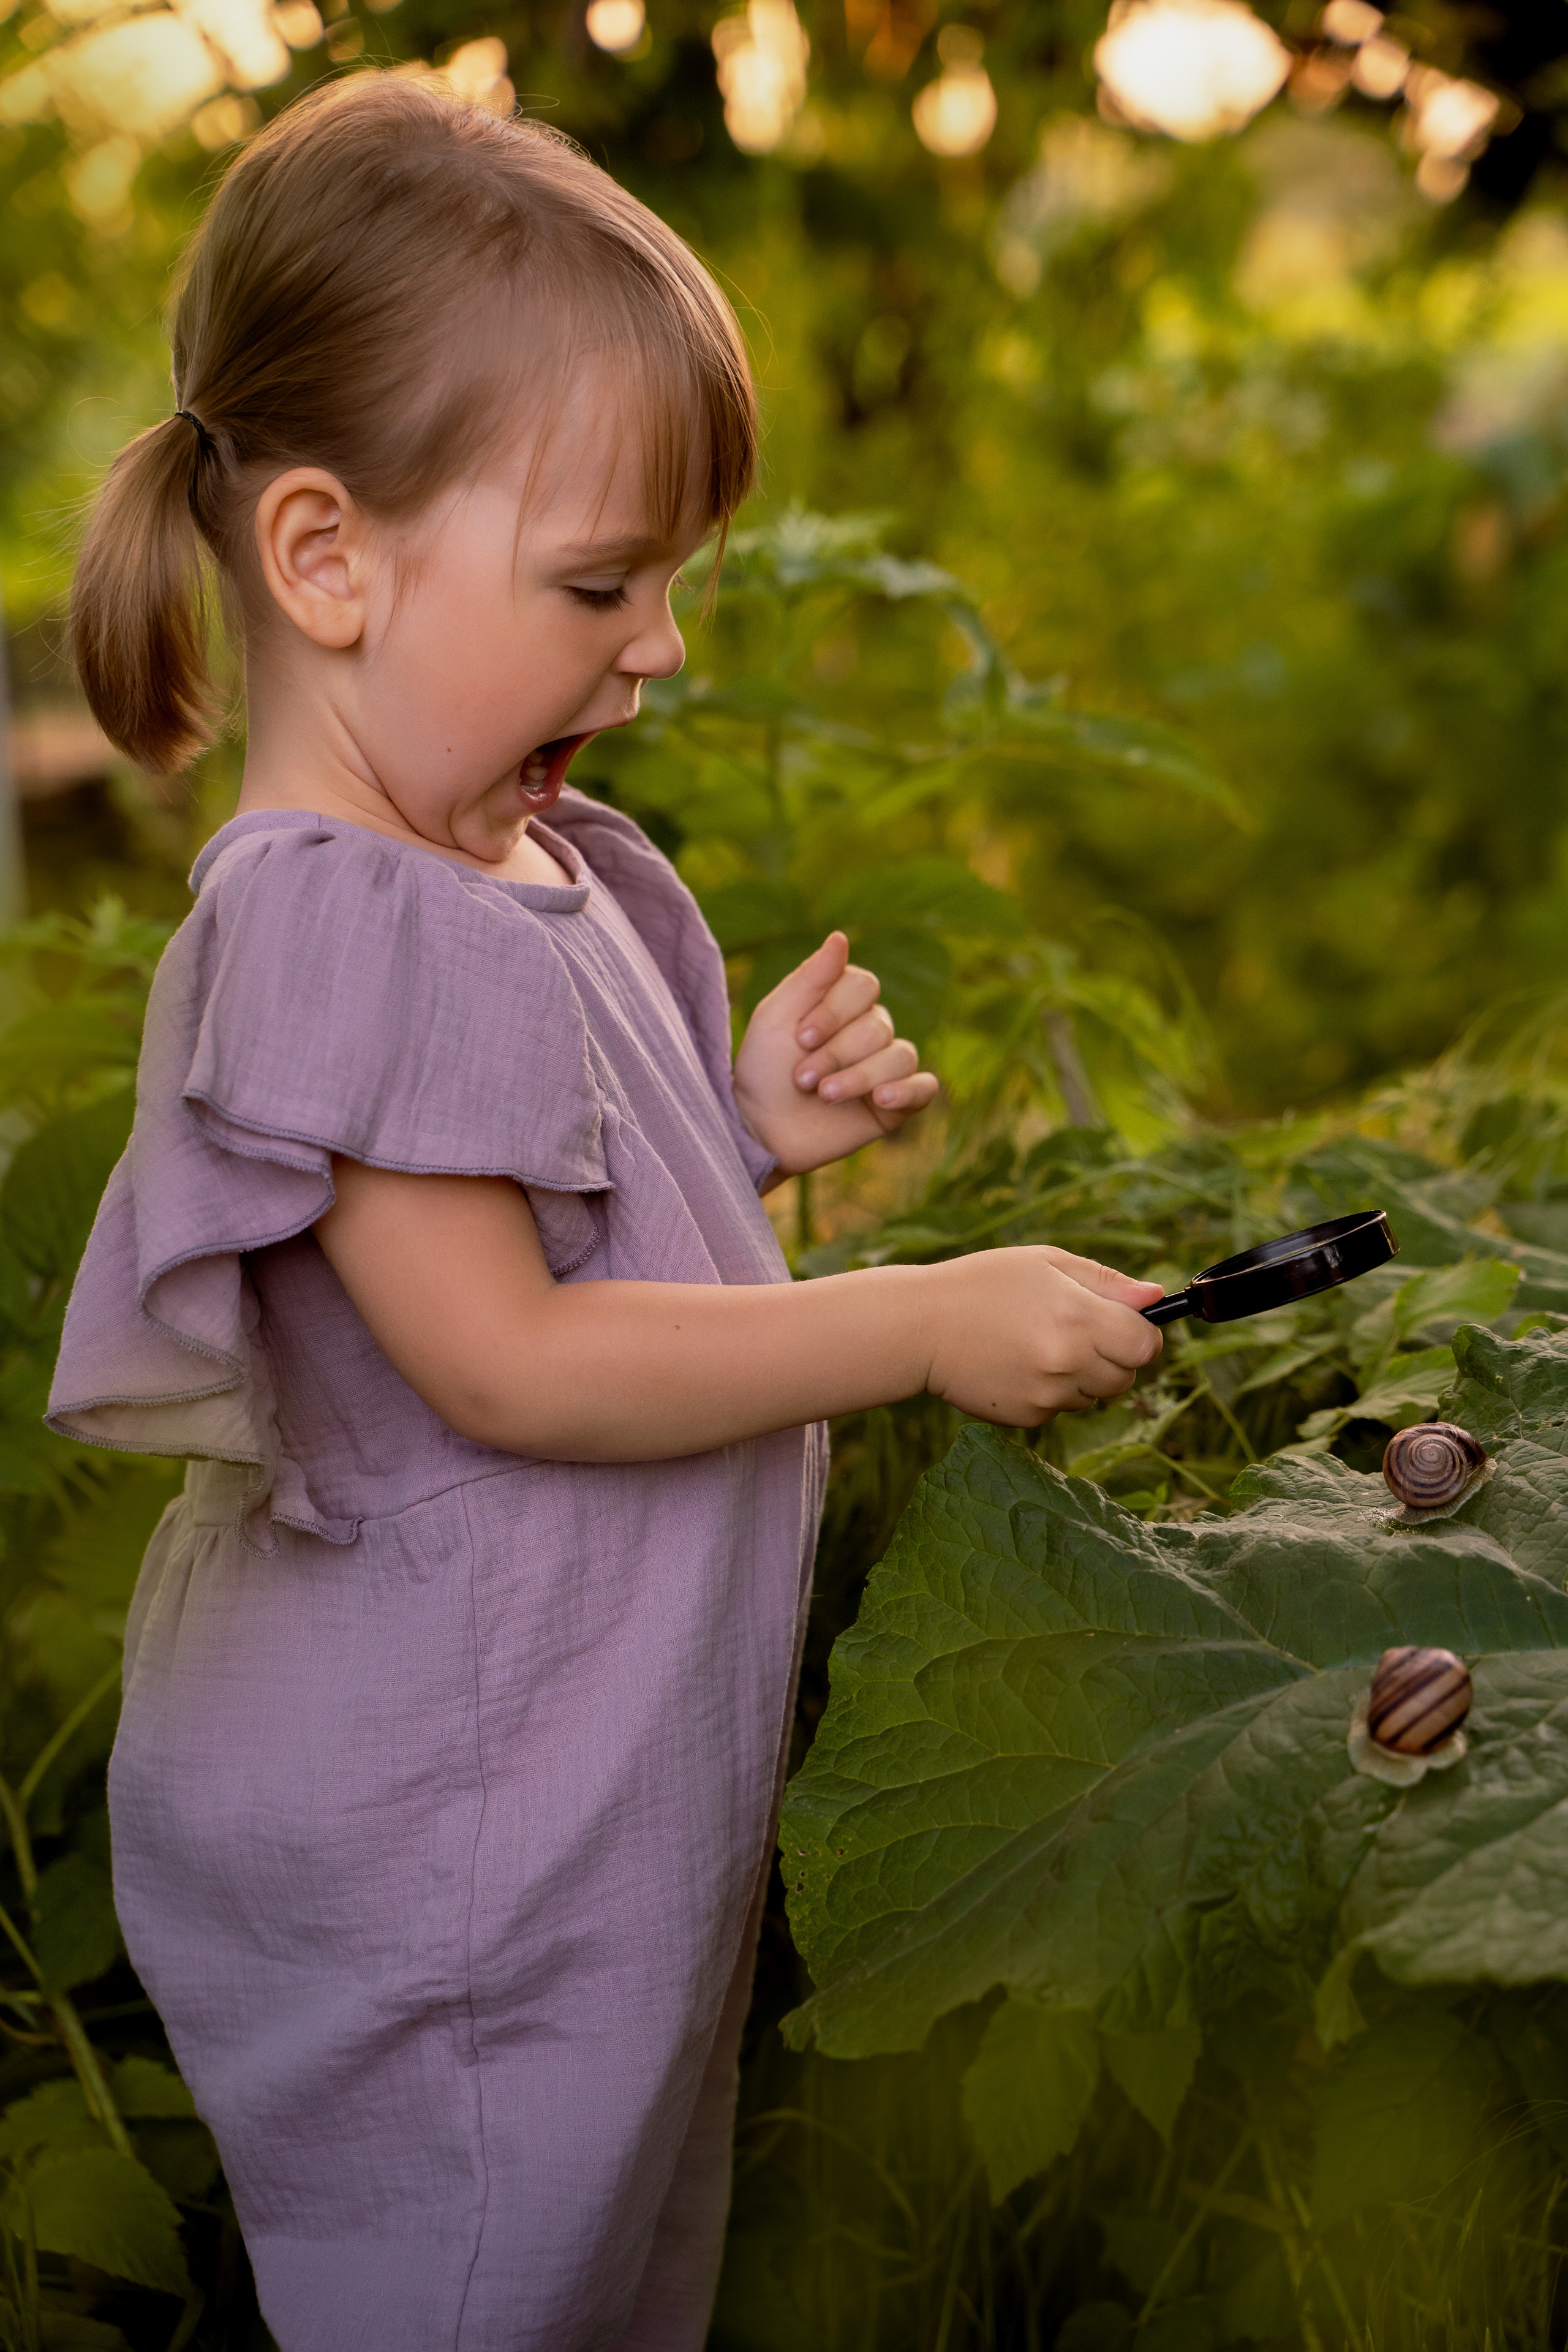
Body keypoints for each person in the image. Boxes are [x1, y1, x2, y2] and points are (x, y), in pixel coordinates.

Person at [47, 72, 1164, 2352]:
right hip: (454, 1835)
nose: (658, 648)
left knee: (602, 2281)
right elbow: (506, 1359)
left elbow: (516, 1238)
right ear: (330, 560)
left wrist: (730, 1127)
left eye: (672, 582)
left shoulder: (507, 864)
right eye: (596, 584)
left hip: (580, 1799)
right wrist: (917, 1313)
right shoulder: (351, 910)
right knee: (477, 2290)